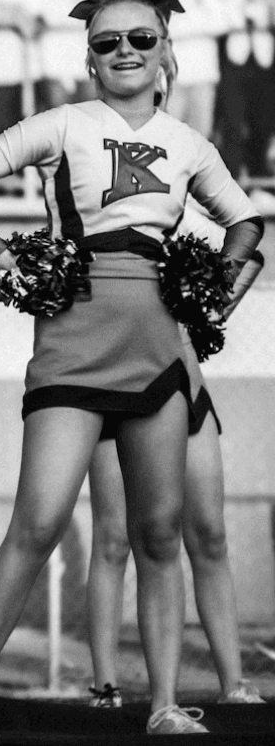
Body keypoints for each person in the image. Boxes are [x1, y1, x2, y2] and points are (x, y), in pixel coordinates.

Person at [0, 0, 263, 736]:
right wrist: (5, 265)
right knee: (38, 523)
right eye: (106, 42)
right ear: (88, 55)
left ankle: (166, 704)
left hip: (156, 350)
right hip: (73, 348)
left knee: (159, 533)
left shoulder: (189, 144)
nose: (123, 52)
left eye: (140, 38)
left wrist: (217, 297)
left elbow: (248, 228)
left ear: (165, 47)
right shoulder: (62, 123)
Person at [83, 209, 265, 709]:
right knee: (115, 538)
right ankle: (105, 684)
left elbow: (248, 257)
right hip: (115, 391)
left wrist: (212, 298)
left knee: (209, 535)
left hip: (186, 388)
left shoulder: (186, 219)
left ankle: (233, 683)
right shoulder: (99, 226)